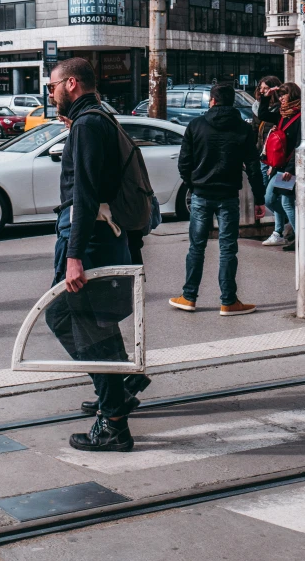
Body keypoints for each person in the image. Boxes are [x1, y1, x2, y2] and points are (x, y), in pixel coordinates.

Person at [46, 57, 150, 453]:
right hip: (102, 238)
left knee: (72, 319)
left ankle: (114, 419)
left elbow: (85, 197)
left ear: (71, 84)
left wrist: (74, 257)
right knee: (100, 322)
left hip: (89, 242)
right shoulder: (97, 119)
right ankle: (118, 388)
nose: (50, 92)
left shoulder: (88, 125)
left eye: (53, 85)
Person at [170, 82, 266, 316]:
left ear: (211, 101)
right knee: (227, 249)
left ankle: (189, 297)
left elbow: (184, 163)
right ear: (232, 102)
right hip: (228, 197)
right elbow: (253, 166)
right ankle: (228, 301)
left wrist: (194, 183)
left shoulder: (196, 125)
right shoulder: (243, 129)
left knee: (196, 248)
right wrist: (259, 199)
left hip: (201, 195)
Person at [258, 82, 301, 253]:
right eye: (280, 94)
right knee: (269, 199)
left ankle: (299, 237)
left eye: (284, 94)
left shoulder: (299, 116)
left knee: (286, 201)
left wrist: (290, 169)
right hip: (279, 166)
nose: (281, 98)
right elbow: (262, 114)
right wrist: (266, 96)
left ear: (293, 95)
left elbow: (299, 145)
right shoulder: (281, 114)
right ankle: (294, 224)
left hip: (289, 168)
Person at [251, 76, 290, 247]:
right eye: (261, 88)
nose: (262, 91)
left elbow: (293, 144)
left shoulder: (282, 113)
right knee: (275, 199)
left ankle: (285, 229)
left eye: (266, 89)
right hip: (266, 159)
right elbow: (260, 119)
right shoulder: (271, 112)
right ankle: (281, 229)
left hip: (281, 164)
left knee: (277, 199)